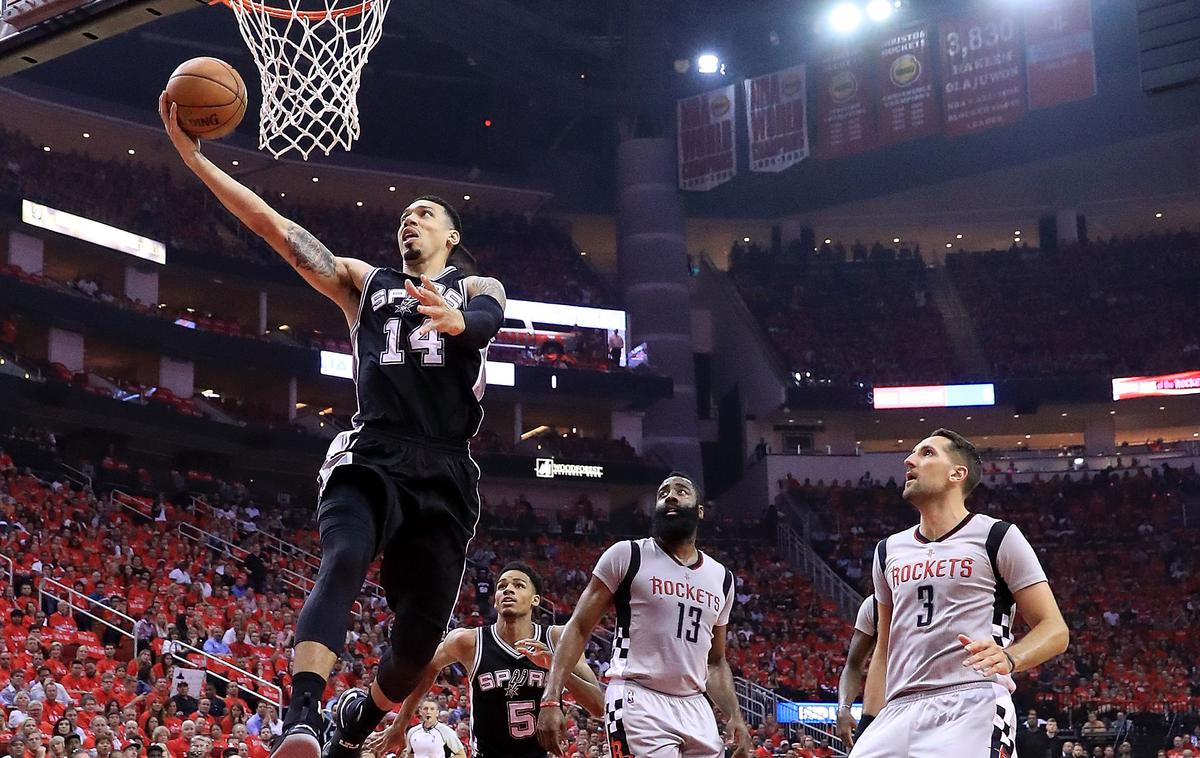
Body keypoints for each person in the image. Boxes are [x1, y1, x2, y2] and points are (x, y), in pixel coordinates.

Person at [160, 85, 507, 758]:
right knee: (343, 558)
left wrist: (462, 322)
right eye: (404, 215)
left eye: (426, 214)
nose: (411, 220)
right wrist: (195, 158)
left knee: (413, 649)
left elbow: (491, 313)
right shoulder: (363, 283)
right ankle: (301, 715)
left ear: (450, 237)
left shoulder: (470, 287)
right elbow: (273, 227)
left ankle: (358, 715)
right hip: (373, 452)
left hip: (446, 471)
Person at [851, 429, 1070, 758]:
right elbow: (883, 647)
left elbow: (1055, 629)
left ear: (958, 473)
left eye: (926, 454)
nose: (909, 460)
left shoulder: (996, 535)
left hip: (971, 700)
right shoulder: (887, 550)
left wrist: (1012, 658)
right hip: (899, 707)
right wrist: (869, 720)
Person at [535, 473, 751, 758]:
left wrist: (735, 716)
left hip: (696, 706)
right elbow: (577, 628)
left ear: (700, 511)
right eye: (663, 493)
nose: (670, 496)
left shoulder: (722, 578)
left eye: (682, 491)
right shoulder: (628, 555)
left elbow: (715, 660)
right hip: (638, 698)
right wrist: (551, 699)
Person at [366, 562, 603, 758]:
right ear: (495, 600)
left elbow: (598, 706)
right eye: (502, 586)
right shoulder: (468, 641)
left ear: (535, 600)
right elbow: (428, 667)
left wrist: (555, 665)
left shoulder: (559, 639)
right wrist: (400, 723)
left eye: (519, 585)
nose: (508, 590)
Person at [835, 594, 876, 749]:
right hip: (882, 709)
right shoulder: (874, 605)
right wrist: (843, 708)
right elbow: (853, 665)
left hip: (940, 704)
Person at [399, 700, 465, 758]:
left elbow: (461, 755)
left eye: (432, 709)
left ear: (437, 713)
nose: (428, 712)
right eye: (425, 709)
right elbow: (410, 755)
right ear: (420, 712)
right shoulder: (412, 731)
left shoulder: (447, 731)